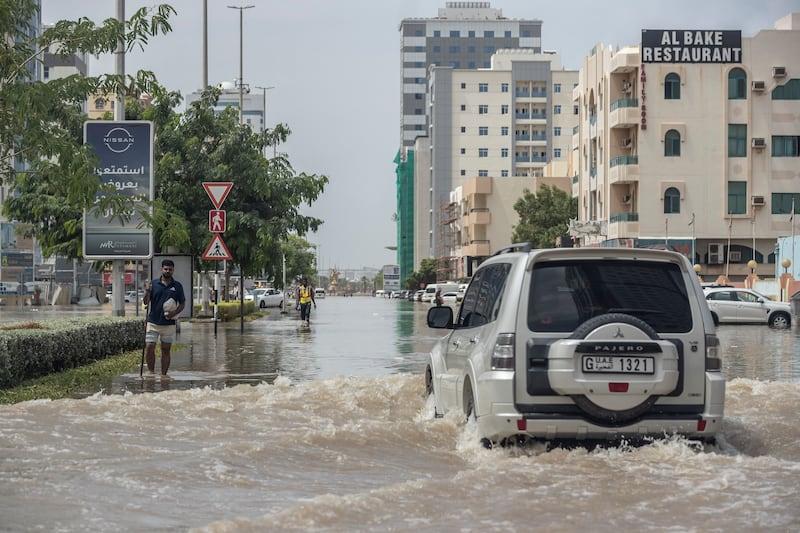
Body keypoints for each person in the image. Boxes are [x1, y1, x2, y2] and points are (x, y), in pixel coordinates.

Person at [143, 259, 186, 375]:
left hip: (168, 324)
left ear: (173, 271)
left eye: (170, 269)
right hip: (153, 322)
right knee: (150, 347)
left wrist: (174, 313)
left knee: (166, 350)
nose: (167, 271)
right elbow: (146, 302)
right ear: (161, 269)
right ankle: (151, 372)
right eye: (165, 269)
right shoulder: (153, 284)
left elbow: (182, 303)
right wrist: (147, 292)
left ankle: (164, 375)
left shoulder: (177, 286)